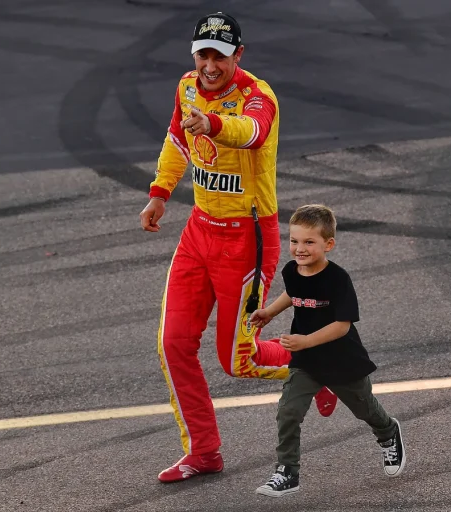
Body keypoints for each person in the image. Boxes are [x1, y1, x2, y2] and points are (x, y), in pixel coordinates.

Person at [138, 12, 337, 483]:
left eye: (220, 57)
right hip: (198, 233)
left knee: (238, 362)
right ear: (194, 55)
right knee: (172, 344)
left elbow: (254, 133)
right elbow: (177, 139)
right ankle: (203, 452)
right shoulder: (186, 86)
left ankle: (316, 364)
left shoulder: (257, 96)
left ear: (238, 56)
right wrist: (160, 193)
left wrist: (212, 123)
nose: (210, 65)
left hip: (246, 242)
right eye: (203, 54)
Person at [250, 204, 406, 497]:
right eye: (294, 241)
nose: (299, 248)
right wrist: (270, 311)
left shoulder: (338, 279)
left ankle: (388, 433)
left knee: (365, 409)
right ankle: (287, 472)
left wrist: (305, 340)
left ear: (328, 244)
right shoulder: (291, 270)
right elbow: (294, 292)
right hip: (306, 360)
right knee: (288, 411)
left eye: (309, 242)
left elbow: (342, 326)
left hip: (342, 360)